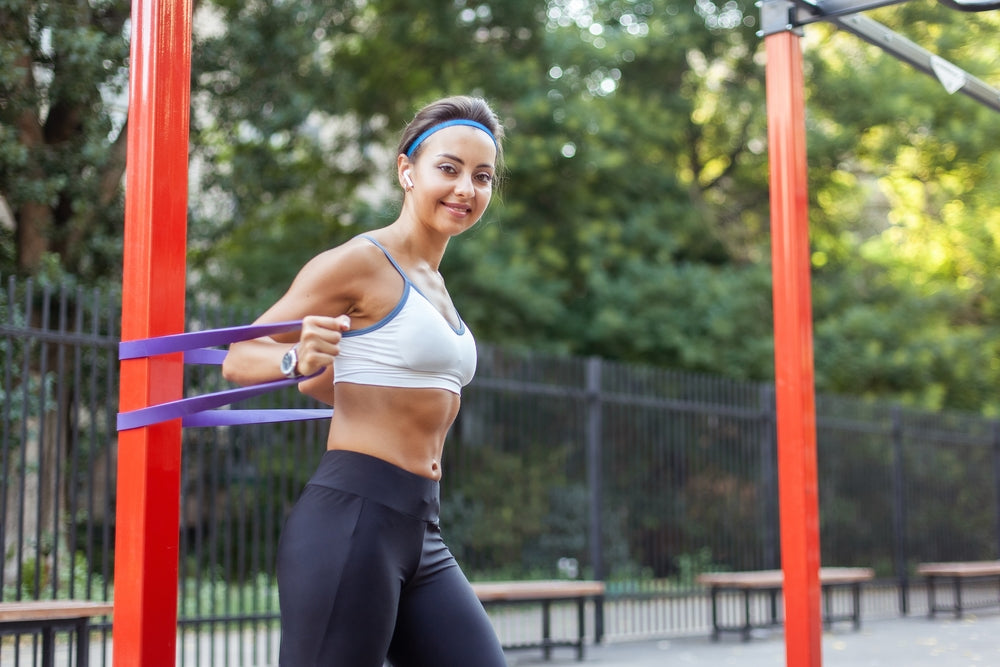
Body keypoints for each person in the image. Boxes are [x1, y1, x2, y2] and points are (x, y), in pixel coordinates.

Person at [222, 95, 508, 667]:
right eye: (447, 169)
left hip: (420, 528)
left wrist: (323, 373)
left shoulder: (435, 284)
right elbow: (239, 356)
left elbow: (334, 384)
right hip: (353, 521)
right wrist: (293, 360)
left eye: (482, 177)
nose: (466, 189)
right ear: (408, 171)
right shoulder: (360, 261)